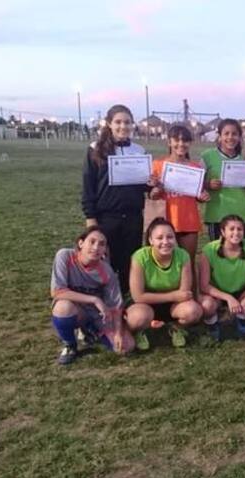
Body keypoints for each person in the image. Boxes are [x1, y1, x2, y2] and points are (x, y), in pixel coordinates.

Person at [81, 104, 150, 294]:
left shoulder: (139, 150)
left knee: (130, 263)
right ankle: (104, 303)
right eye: (118, 122)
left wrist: (151, 183)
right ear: (109, 124)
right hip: (106, 218)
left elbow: (142, 185)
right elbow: (88, 186)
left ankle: (128, 302)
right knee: (105, 262)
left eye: (127, 122)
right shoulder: (95, 149)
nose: (123, 126)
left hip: (133, 217)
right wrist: (91, 218)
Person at [50, 227, 135, 365]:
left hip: (97, 314)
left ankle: (91, 331)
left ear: (105, 250)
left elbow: (116, 306)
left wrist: (118, 333)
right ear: (81, 243)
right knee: (63, 308)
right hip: (76, 309)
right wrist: (94, 299)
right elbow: (57, 291)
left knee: (126, 347)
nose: (96, 247)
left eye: (101, 244)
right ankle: (70, 345)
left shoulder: (107, 271)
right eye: (92, 242)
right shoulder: (65, 256)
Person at [125, 218, 202, 349]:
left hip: (173, 305)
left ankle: (175, 328)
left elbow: (184, 293)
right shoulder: (139, 257)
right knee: (137, 318)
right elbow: (138, 296)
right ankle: (140, 331)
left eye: (170, 237)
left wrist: (176, 298)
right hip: (145, 304)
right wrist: (173, 296)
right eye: (159, 238)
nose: (165, 242)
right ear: (150, 240)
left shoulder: (183, 255)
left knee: (193, 311)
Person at [199, 215, 245, 341]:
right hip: (217, 293)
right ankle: (212, 322)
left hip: (241, 289)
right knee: (207, 305)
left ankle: (241, 318)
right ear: (222, 232)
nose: (236, 233)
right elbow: (204, 285)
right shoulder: (209, 250)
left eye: (239, 229)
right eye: (231, 229)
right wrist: (228, 298)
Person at [149, 125, 209, 263]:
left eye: (185, 140)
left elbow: (198, 195)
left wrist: (203, 197)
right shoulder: (158, 165)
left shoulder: (195, 168)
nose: (181, 144)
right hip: (164, 220)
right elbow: (151, 196)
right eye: (176, 140)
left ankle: (190, 286)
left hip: (188, 221)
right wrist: (155, 192)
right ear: (169, 142)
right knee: (162, 262)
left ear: (190, 143)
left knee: (188, 262)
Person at [201, 119, 245, 241]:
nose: (230, 137)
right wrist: (208, 184)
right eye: (226, 133)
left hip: (242, 215)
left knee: (243, 255)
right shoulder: (207, 156)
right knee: (218, 255)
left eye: (234, 134)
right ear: (219, 136)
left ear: (240, 137)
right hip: (218, 215)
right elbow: (196, 184)